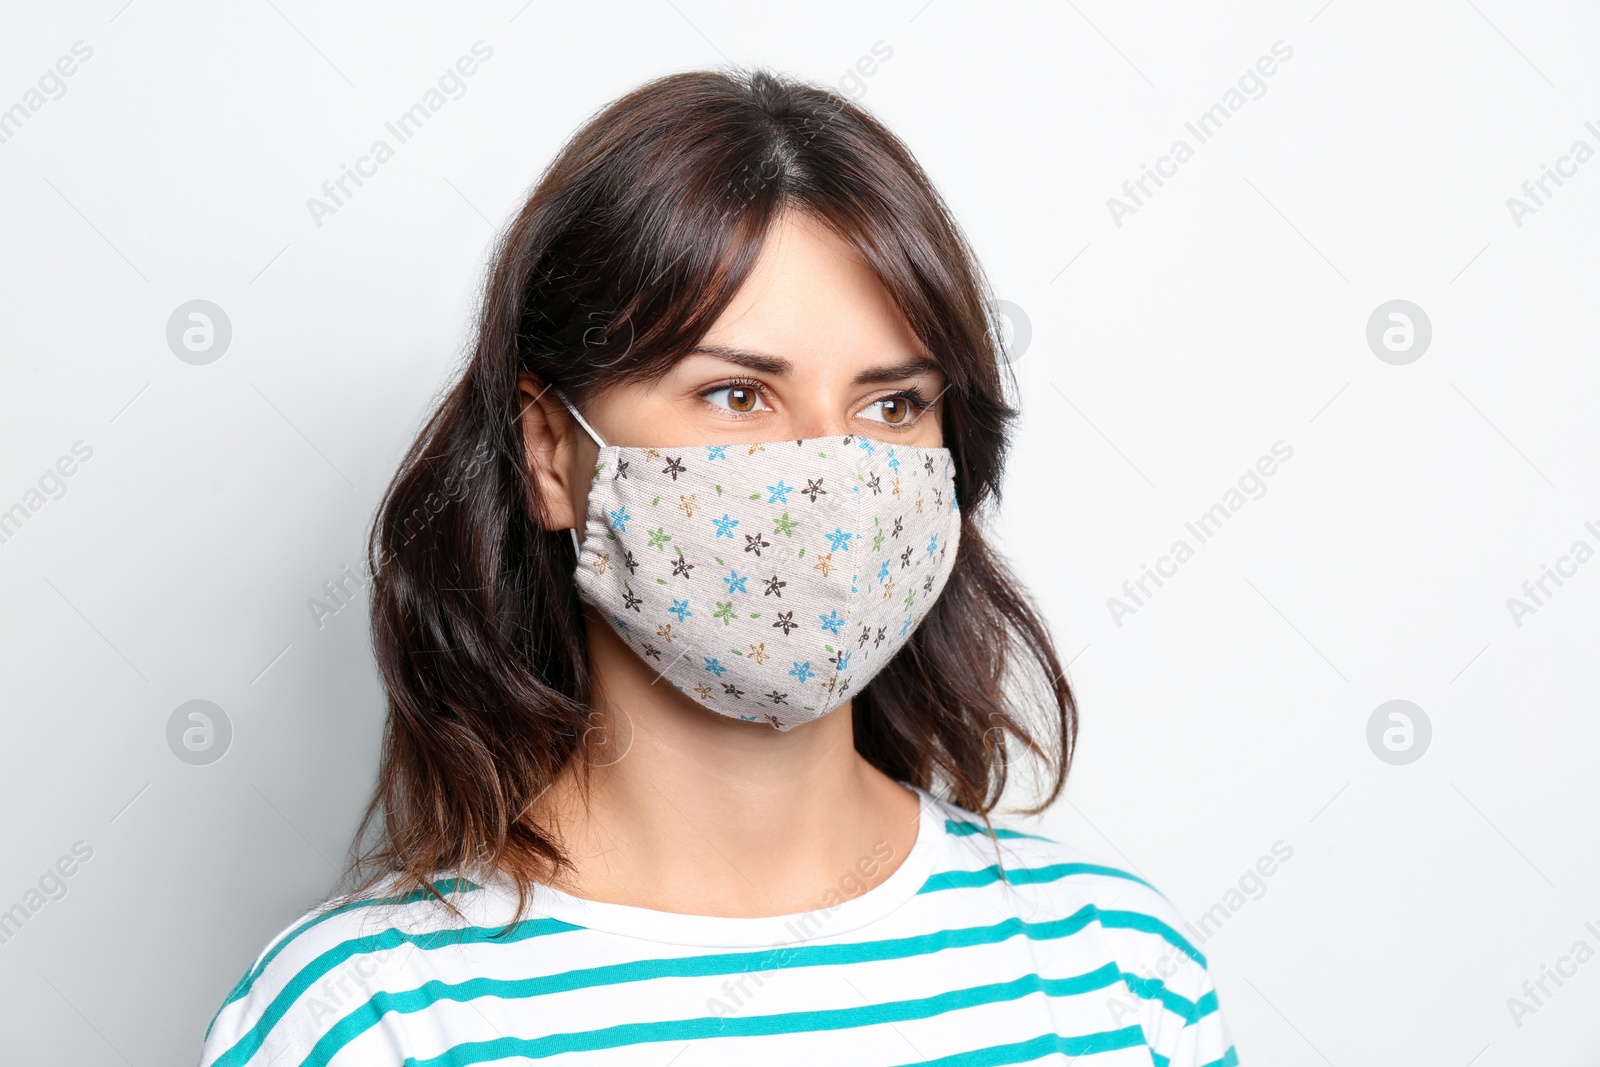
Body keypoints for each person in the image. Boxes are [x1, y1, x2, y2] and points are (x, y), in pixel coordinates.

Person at [199, 68, 1236, 1067]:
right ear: (550, 454)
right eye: (737, 394)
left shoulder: (1120, 976)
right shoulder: (365, 1019)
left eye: (893, 404)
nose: (830, 471)